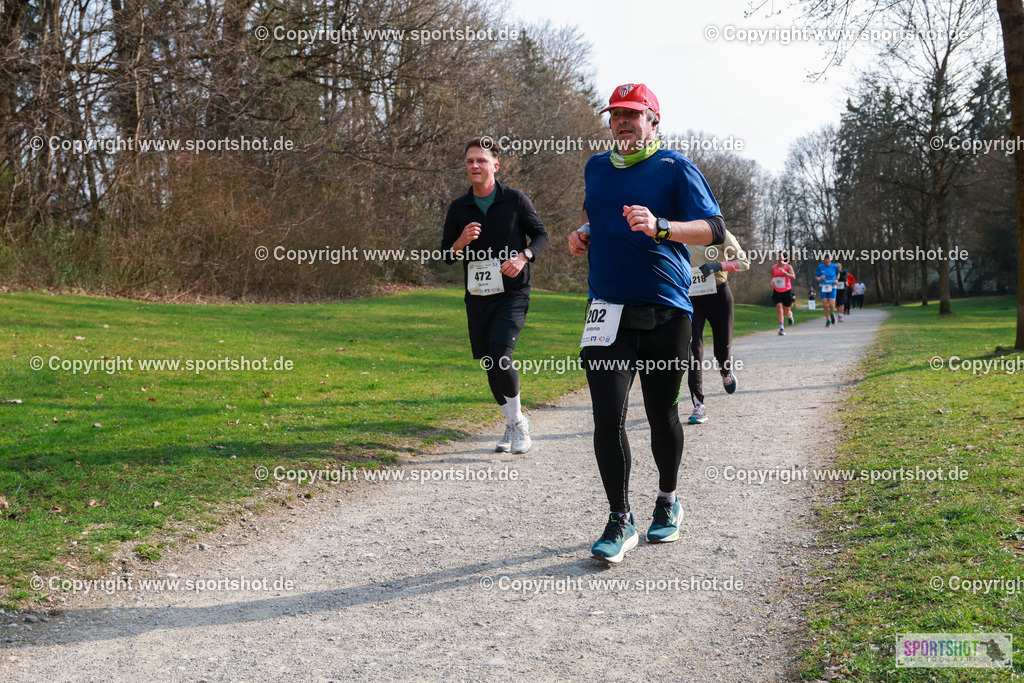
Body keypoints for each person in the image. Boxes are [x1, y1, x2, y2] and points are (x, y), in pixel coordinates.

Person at [567, 82, 726, 563]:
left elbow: (715, 230)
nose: (623, 121)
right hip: (608, 314)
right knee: (606, 417)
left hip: (666, 313)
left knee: (662, 414)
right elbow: (602, 217)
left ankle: (668, 501)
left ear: (654, 121)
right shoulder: (596, 167)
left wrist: (663, 227)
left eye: (633, 114)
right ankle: (620, 518)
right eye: (616, 114)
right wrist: (584, 233)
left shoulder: (675, 168)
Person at [442, 138, 548, 454]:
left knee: (501, 353)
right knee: (491, 361)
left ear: (495, 165)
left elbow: (541, 235)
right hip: (477, 296)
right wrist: (460, 241)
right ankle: (511, 422)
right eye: (470, 161)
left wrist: (523, 256)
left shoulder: (515, 200)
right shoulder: (459, 207)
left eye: (481, 161)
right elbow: (447, 254)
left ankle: (519, 424)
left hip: (513, 292)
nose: (475, 166)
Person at [685, 230, 749, 425]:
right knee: (693, 351)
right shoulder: (678, 230)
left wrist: (718, 265)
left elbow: (744, 262)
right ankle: (698, 404)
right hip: (690, 298)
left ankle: (726, 371)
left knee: (722, 350)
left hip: (718, 295)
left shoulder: (719, 233)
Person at [770, 251, 796, 336]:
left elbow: (793, 277)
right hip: (777, 291)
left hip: (786, 291)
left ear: (784, 258)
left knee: (786, 310)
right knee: (779, 308)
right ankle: (781, 328)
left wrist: (784, 272)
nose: (780, 257)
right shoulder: (773, 267)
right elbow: (773, 277)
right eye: (778, 256)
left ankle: (790, 315)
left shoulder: (788, 266)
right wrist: (772, 282)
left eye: (781, 256)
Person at [815, 254, 839, 327]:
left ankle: (832, 314)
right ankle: (828, 320)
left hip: (832, 286)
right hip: (823, 286)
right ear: (824, 261)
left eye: (828, 260)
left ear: (830, 260)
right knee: (825, 304)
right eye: (826, 261)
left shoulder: (834, 266)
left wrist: (837, 280)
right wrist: (820, 278)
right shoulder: (820, 267)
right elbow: (816, 277)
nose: (827, 262)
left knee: (831, 304)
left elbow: (838, 274)